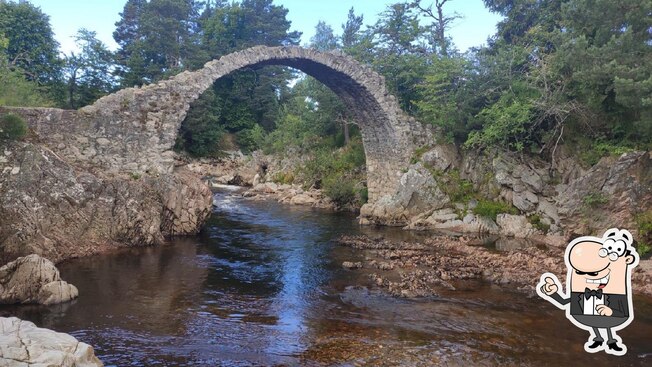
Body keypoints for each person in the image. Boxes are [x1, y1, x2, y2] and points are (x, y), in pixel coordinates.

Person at [537, 228, 639, 356]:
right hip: (587, 317)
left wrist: (611, 311)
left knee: (606, 323)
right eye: (580, 272)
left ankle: (611, 340)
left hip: (610, 319)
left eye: (594, 273)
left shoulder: (616, 293)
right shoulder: (580, 292)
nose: (590, 276)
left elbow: (623, 312)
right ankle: (598, 338)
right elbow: (564, 302)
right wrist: (552, 293)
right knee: (594, 323)